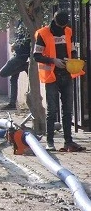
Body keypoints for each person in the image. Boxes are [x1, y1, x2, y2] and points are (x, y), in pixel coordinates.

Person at [33, 11, 86, 152]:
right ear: (55, 22)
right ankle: (50, 142)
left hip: (66, 74)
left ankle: (68, 141)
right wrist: (53, 61)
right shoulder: (42, 33)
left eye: (64, 26)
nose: (62, 29)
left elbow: (73, 49)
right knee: (52, 110)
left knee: (68, 110)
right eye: (60, 26)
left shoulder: (68, 31)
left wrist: (73, 59)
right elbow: (36, 56)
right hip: (52, 76)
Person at [0, 19, 31, 110]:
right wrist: (14, 44)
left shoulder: (31, 22)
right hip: (19, 53)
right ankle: (12, 103)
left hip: (22, 55)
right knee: (13, 79)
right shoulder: (22, 21)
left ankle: (24, 66)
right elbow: (19, 37)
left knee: (2, 73)